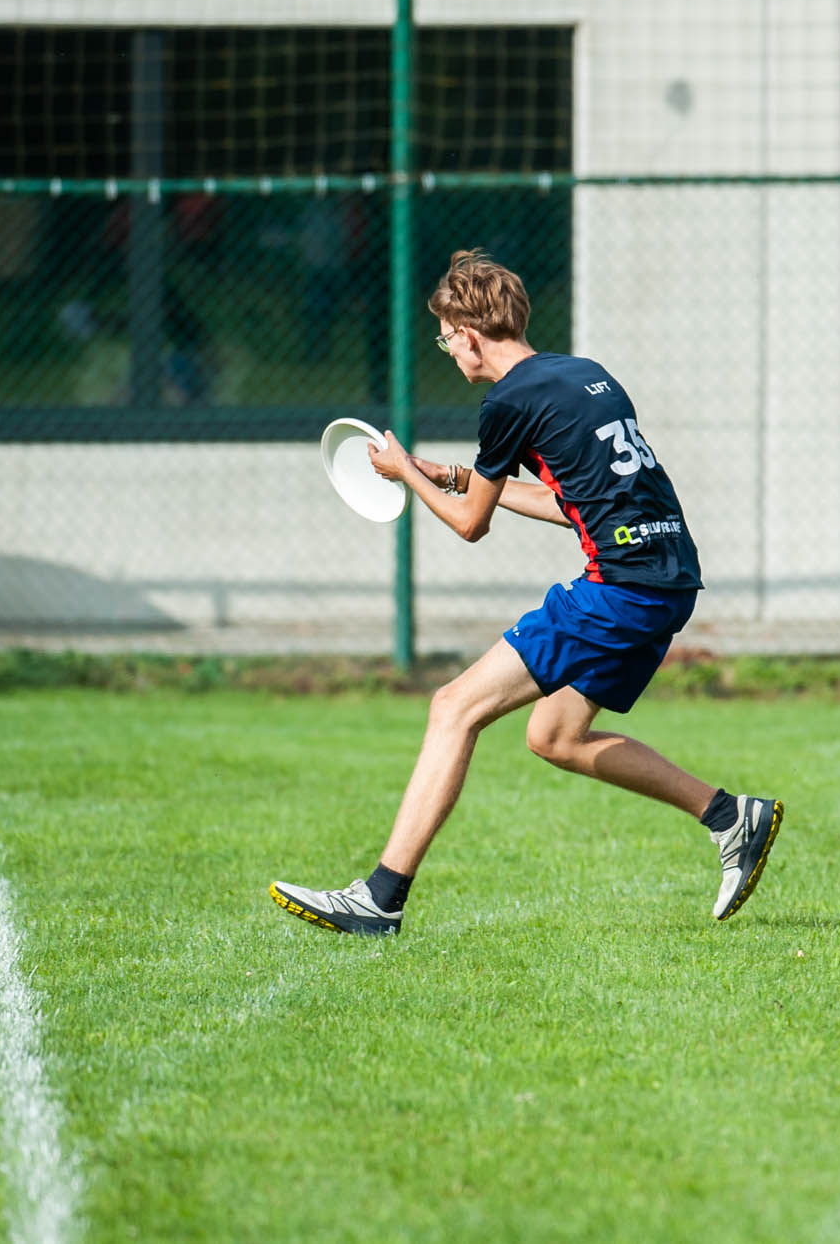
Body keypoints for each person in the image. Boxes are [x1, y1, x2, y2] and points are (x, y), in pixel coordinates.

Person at [270, 249, 782, 936]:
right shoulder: (585, 374)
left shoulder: (506, 400)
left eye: (446, 337)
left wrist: (402, 471)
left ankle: (380, 898)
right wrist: (447, 472)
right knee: (555, 735)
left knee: (453, 707)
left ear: (469, 333)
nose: (448, 350)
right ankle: (730, 816)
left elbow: (469, 525)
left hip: (619, 587)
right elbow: (568, 499)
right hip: (669, 577)